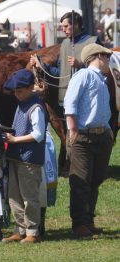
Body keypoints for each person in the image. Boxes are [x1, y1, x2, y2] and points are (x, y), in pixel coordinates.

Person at [64, 43, 114, 237]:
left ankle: (88, 219)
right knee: (81, 181)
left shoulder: (101, 79)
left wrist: (108, 130)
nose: (108, 61)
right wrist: (73, 129)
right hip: (83, 135)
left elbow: (102, 109)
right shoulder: (83, 75)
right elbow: (70, 102)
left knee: (95, 180)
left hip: (102, 135)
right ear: (98, 56)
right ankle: (78, 223)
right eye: (107, 57)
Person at [2, 68, 47, 244]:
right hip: (16, 157)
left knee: (29, 197)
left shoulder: (36, 107)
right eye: (15, 92)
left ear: (30, 88)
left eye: (20, 91)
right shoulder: (21, 105)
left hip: (30, 159)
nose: (17, 95)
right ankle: (20, 229)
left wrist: (14, 139)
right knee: (14, 196)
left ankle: (33, 231)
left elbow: (38, 134)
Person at [31, 11, 100, 107]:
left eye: (66, 26)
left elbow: (101, 71)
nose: (63, 29)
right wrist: (41, 66)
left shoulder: (93, 42)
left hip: (89, 99)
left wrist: (80, 66)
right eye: (62, 27)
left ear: (76, 25)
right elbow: (60, 73)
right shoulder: (64, 44)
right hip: (67, 100)